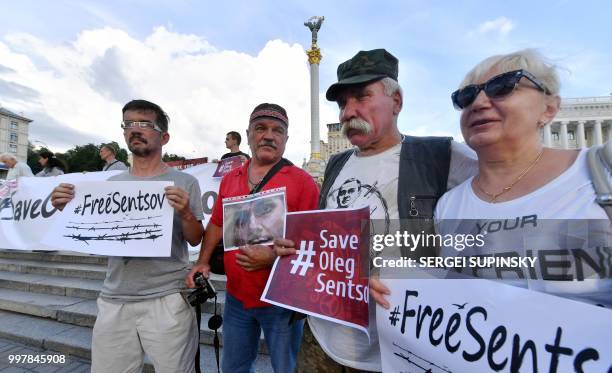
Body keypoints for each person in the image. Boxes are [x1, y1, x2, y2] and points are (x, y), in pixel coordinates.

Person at [275, 49, 477, 372]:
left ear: (396, 101)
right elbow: (324, 241)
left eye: (361, 97)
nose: (347, 112)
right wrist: (298, 249)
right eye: (342, 103)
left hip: (394, 349)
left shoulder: (439, 156)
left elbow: (509, 185)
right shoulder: (336, 164)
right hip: (322, 341)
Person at [430, 49, 610, 306]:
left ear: (549, 108)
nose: (478, 103)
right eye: (466, 96)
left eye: (503, 86)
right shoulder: (448, 205)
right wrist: (396, 289)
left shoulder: (602, 174)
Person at [50, 99, 204, 372]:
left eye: (145, 124)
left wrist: (187, 215)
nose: (135, 129)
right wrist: (65, 207)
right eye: (129, 124)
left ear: (164, 136)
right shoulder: (110, 187)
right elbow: (85, 232)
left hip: (167, 297)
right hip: (114, 298)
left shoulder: (185, 182)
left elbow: (194, 239)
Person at [186, 103, 319, 372]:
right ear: (248, 134)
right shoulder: (230, 178)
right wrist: (202, 261)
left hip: (282, 301)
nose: (269, 135)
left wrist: (272, 258)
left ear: (286, 139)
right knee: (234, 367)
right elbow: (217, 223)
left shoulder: (302, 181)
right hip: (237, 298)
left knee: (287, 367)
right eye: (261, 128)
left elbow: (313, 243)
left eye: (277, 130)